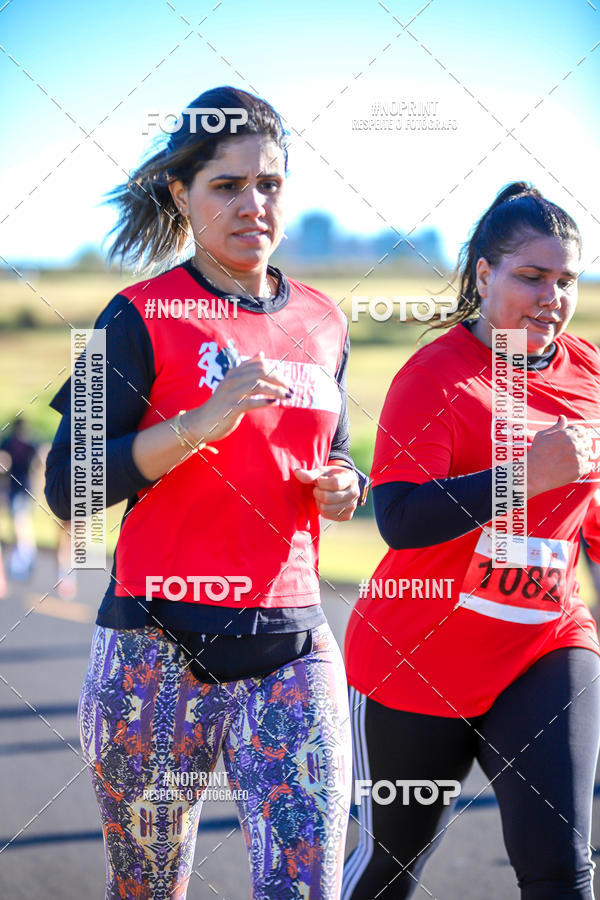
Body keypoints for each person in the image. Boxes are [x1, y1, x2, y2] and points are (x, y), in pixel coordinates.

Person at [44, 86, 367, 900]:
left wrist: (344, 485)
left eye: (270, 184)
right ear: (182, 195)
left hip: (292, 641)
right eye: (227, 186)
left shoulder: (324, 322)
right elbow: (66, 484)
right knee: (148, 890)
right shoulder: (135, 315)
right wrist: (199, 423)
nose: (254, 204)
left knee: (307, 888)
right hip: (154, 646)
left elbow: (332, 449)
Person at [343, 182, 600, 899]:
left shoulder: (590, 373)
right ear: (484, 275)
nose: (552, 297)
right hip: (417, 658)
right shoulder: (434, 378)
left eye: (566, 280)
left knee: (561, 871)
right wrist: (524, 476)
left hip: (544, 644)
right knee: (391, 868)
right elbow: (399, 517)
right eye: (531, 276)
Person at [1, 418, 39, 579]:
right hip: (18, 489)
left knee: (20, 524)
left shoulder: (23, 443)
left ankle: (25, 559)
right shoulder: (15, 443)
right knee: (20, 524)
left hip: (21, 489)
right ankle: (24, 558)